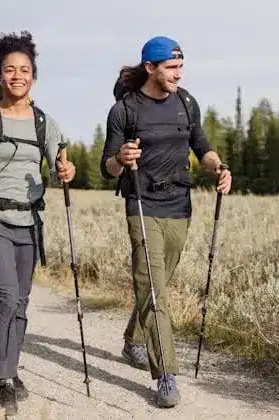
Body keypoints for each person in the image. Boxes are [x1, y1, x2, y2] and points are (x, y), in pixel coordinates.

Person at [100, 35, 232, 408]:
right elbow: (107, 168)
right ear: (150, 68)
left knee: (158, 282)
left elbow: (202, 148)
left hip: (179, 206)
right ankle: (166, 375)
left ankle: (133, 340)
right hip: (142, 206)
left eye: (180, 67)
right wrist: (122, 158)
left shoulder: (186, 104)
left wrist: (219, 168)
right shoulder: (124, 111)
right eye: (171, 68)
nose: (178, 74)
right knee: (154, 290)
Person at [0, 30, 76, 416]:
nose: (17, 76)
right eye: (9, 70)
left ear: (33, 76)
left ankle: (9, 368)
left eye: (24, 70)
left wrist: (66, 170)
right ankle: (3, 380)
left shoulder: (44, 122)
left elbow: (60, 167)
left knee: (21, 302)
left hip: (30, 222)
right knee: (5, 296)